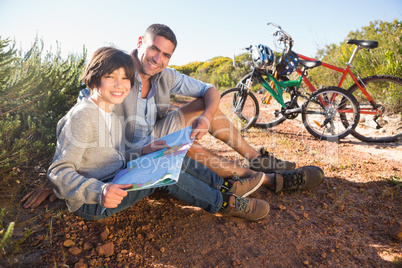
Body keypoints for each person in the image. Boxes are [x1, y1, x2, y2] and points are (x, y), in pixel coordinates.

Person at [21, 24, 325, 209]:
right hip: (128, 150)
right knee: (185, 143)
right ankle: (266, 181)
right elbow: (78, 119)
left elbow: (211, 89)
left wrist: (205, 117)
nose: (158, 59)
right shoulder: (115, 74)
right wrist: (57, 181)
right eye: (154, 49)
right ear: (141, 44)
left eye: (166, 55)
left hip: (149, 138)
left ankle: (258, 160)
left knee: (204, 113)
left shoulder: (166, 75)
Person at [44, 46, 271, 221]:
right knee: (161, 172)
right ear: (94, 78)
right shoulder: (83, 116)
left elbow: (117, 152)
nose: (120, 85)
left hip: (115, 176)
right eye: (111, 77)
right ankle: (222, 203)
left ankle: (223, 185)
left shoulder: (110, 111)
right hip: (94, 202)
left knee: (168, 153)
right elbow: (58, 170)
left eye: (125, 78)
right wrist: (99, 190)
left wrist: (144, 149)